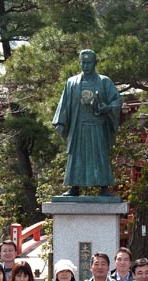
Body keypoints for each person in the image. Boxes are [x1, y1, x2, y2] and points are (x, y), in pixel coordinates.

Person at [52, 49, 121, 196]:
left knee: (100, 156)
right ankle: (74, 187)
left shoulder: (104, 81)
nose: (86, 66)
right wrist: (61, 122)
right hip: (79, 126)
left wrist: (107, 107)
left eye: (89, 62)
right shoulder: (72, 83)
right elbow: (64, 103)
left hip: (97, 126)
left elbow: (117, 100)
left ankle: (103, 187)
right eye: (83, 62)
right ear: (79, 62)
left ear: (95, 63)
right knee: (76, 156)